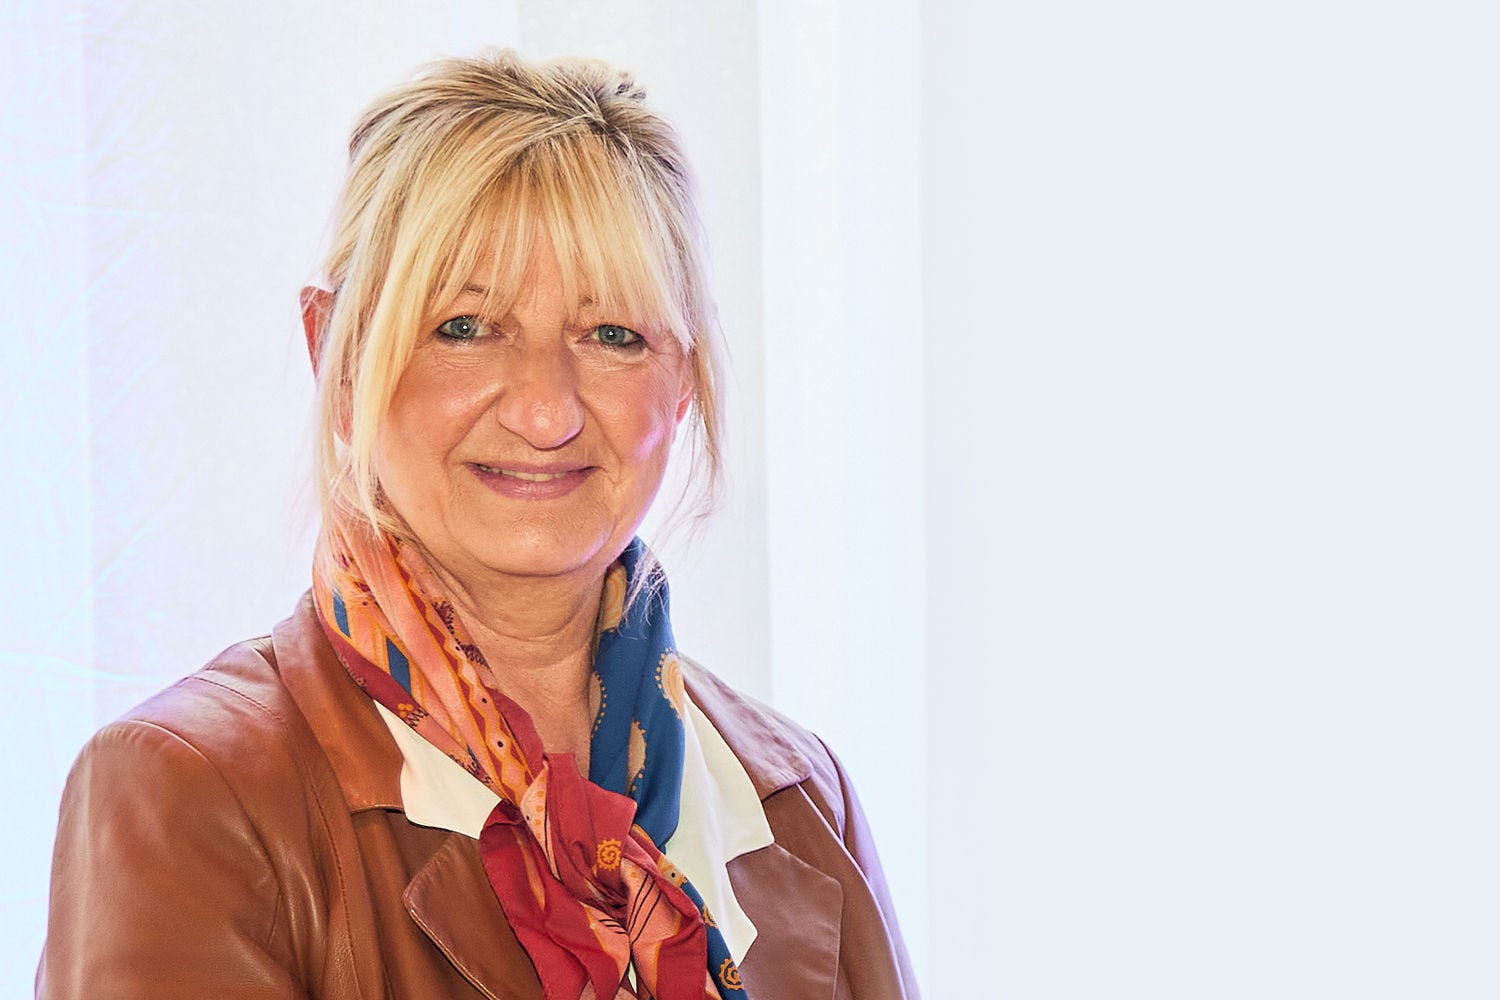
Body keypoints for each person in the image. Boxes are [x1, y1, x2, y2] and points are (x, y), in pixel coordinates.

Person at [37, 50, 917, 1000]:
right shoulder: (191, 794)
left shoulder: (798, 799)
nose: (546, 411)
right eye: (465, 326)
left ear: (685, 383)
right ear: (337, 357)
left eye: (613, 335)